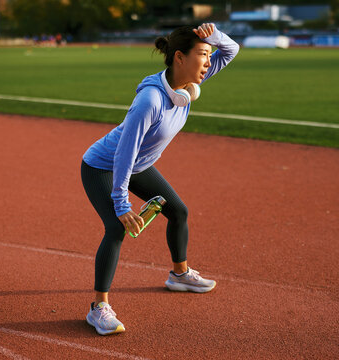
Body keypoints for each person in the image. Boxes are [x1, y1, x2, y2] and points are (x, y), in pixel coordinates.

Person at [81, 23, 239, 335]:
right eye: (203, 55)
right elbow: (124, 154)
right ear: (179, 57)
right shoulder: (150, 101)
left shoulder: (187, 86)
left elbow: (231, 51)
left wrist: (214, 36)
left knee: (178, 212)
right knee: (116, 227)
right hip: (103, 165)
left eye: (210, 56)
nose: (209, 62)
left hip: (138, 165)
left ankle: (178, 275)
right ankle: (99, 308)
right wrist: (122, 202)